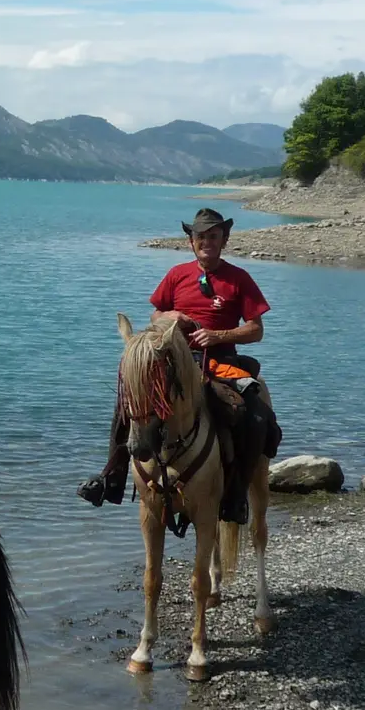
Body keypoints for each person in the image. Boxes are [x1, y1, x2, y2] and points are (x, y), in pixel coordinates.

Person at [79, 207, 271, 507]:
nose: (206, 241)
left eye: (213, 236)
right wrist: (168, 316)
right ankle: (112, 478)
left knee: (253, 415)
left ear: (224, 240)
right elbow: (156, 312)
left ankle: (236, 494)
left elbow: (256, 330)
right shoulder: (177, 274)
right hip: (171, 359)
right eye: (200, 236)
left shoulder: (239, 278)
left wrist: (217, 335)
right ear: (191, 241)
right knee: (127, 401)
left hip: (218, 361)